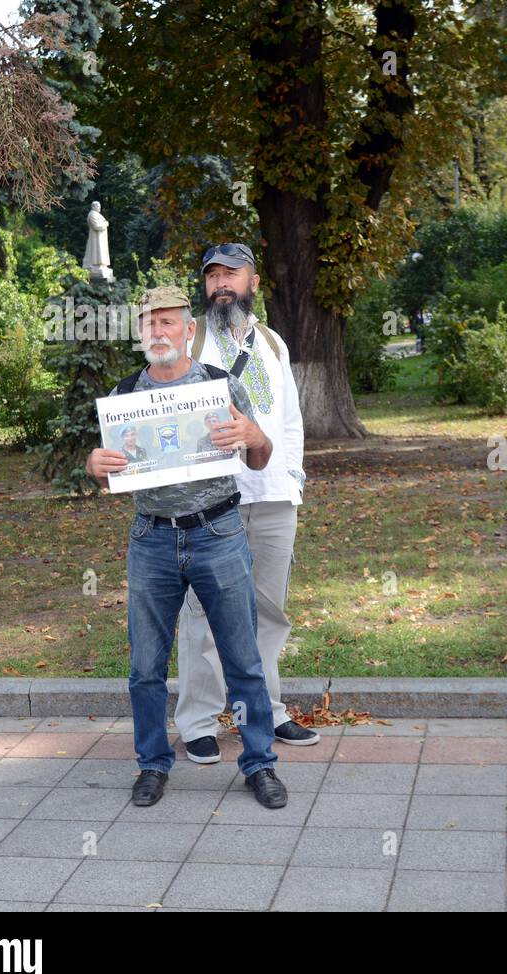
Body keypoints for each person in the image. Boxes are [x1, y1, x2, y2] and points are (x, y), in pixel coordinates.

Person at [85, 285, 289, 810]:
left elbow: (260, 460)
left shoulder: (220, 386)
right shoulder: (124, 394)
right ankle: (152, 765)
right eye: (149, 323)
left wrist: (254, 436)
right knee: (146, 665)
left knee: (242, 658)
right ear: (140, 333)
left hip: (218, 533)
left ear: (188, 331)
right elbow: (115, 479)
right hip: (151, 537)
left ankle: (259, 764)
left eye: (169, 322)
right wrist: (96, 470)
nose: (158, 332)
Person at [176, 242, 318, 764]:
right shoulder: (189, 340)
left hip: (275, 496)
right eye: (212, 275)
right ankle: (197, 720)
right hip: (213, 503)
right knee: (203, 611)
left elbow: (290, 421)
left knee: (268, 613)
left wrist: (293, 478)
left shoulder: (273, 343)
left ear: (253, 283)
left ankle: (265, 709)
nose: (220, 284)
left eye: (231, 274)